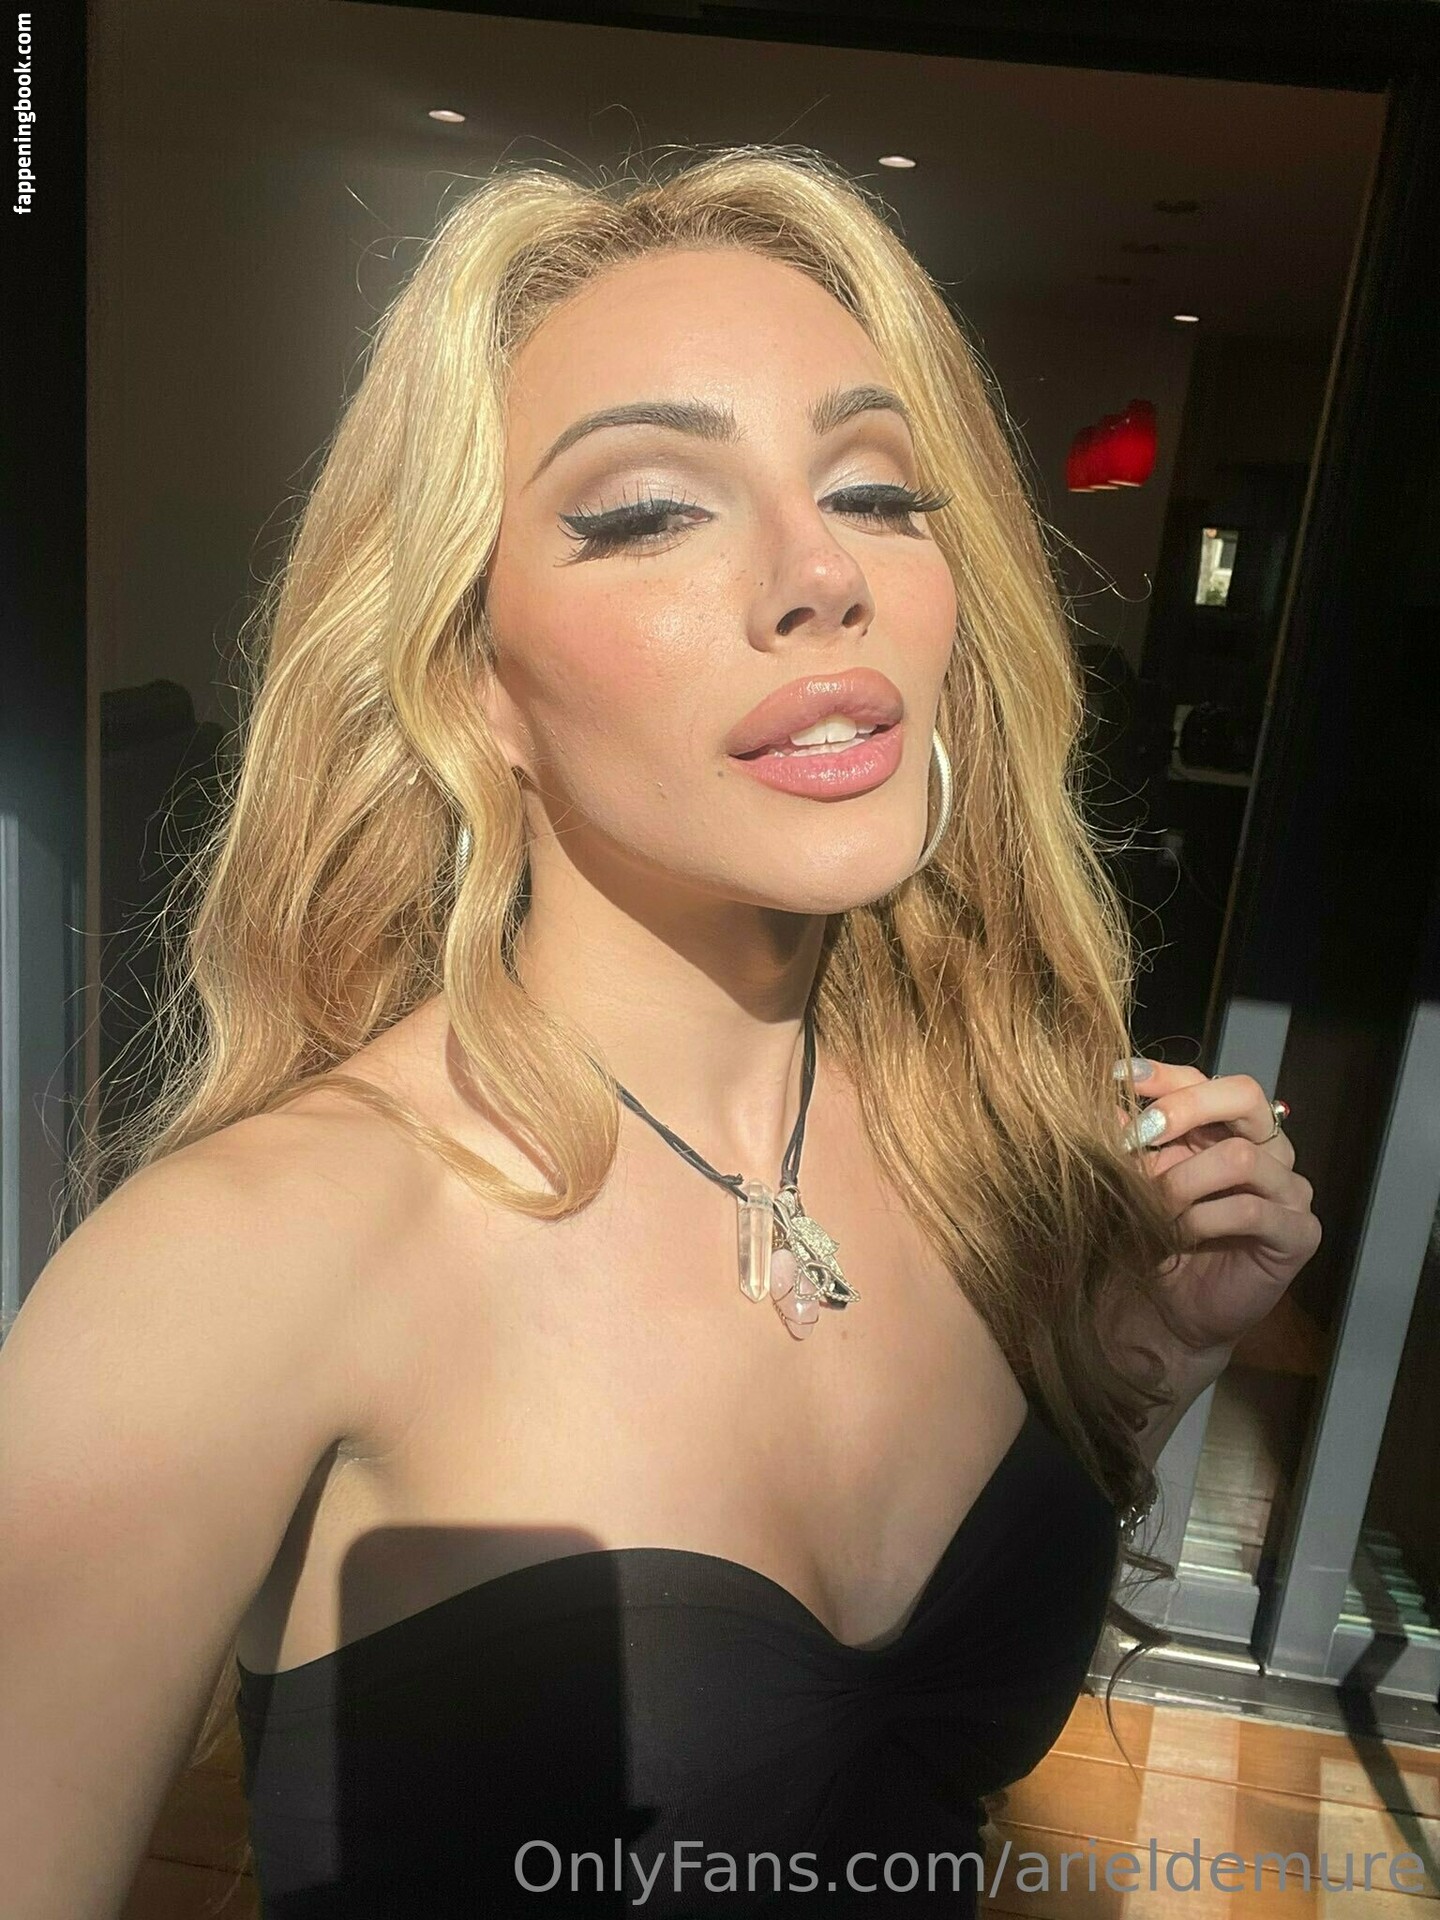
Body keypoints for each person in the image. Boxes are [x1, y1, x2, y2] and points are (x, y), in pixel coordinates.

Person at [0, 147, 1320, 1917]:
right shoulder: (233, 1269)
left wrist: (1144, 1360)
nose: (820, 573)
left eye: (876, 489)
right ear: (472, 675)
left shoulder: (991, 1146)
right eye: (646, 512)